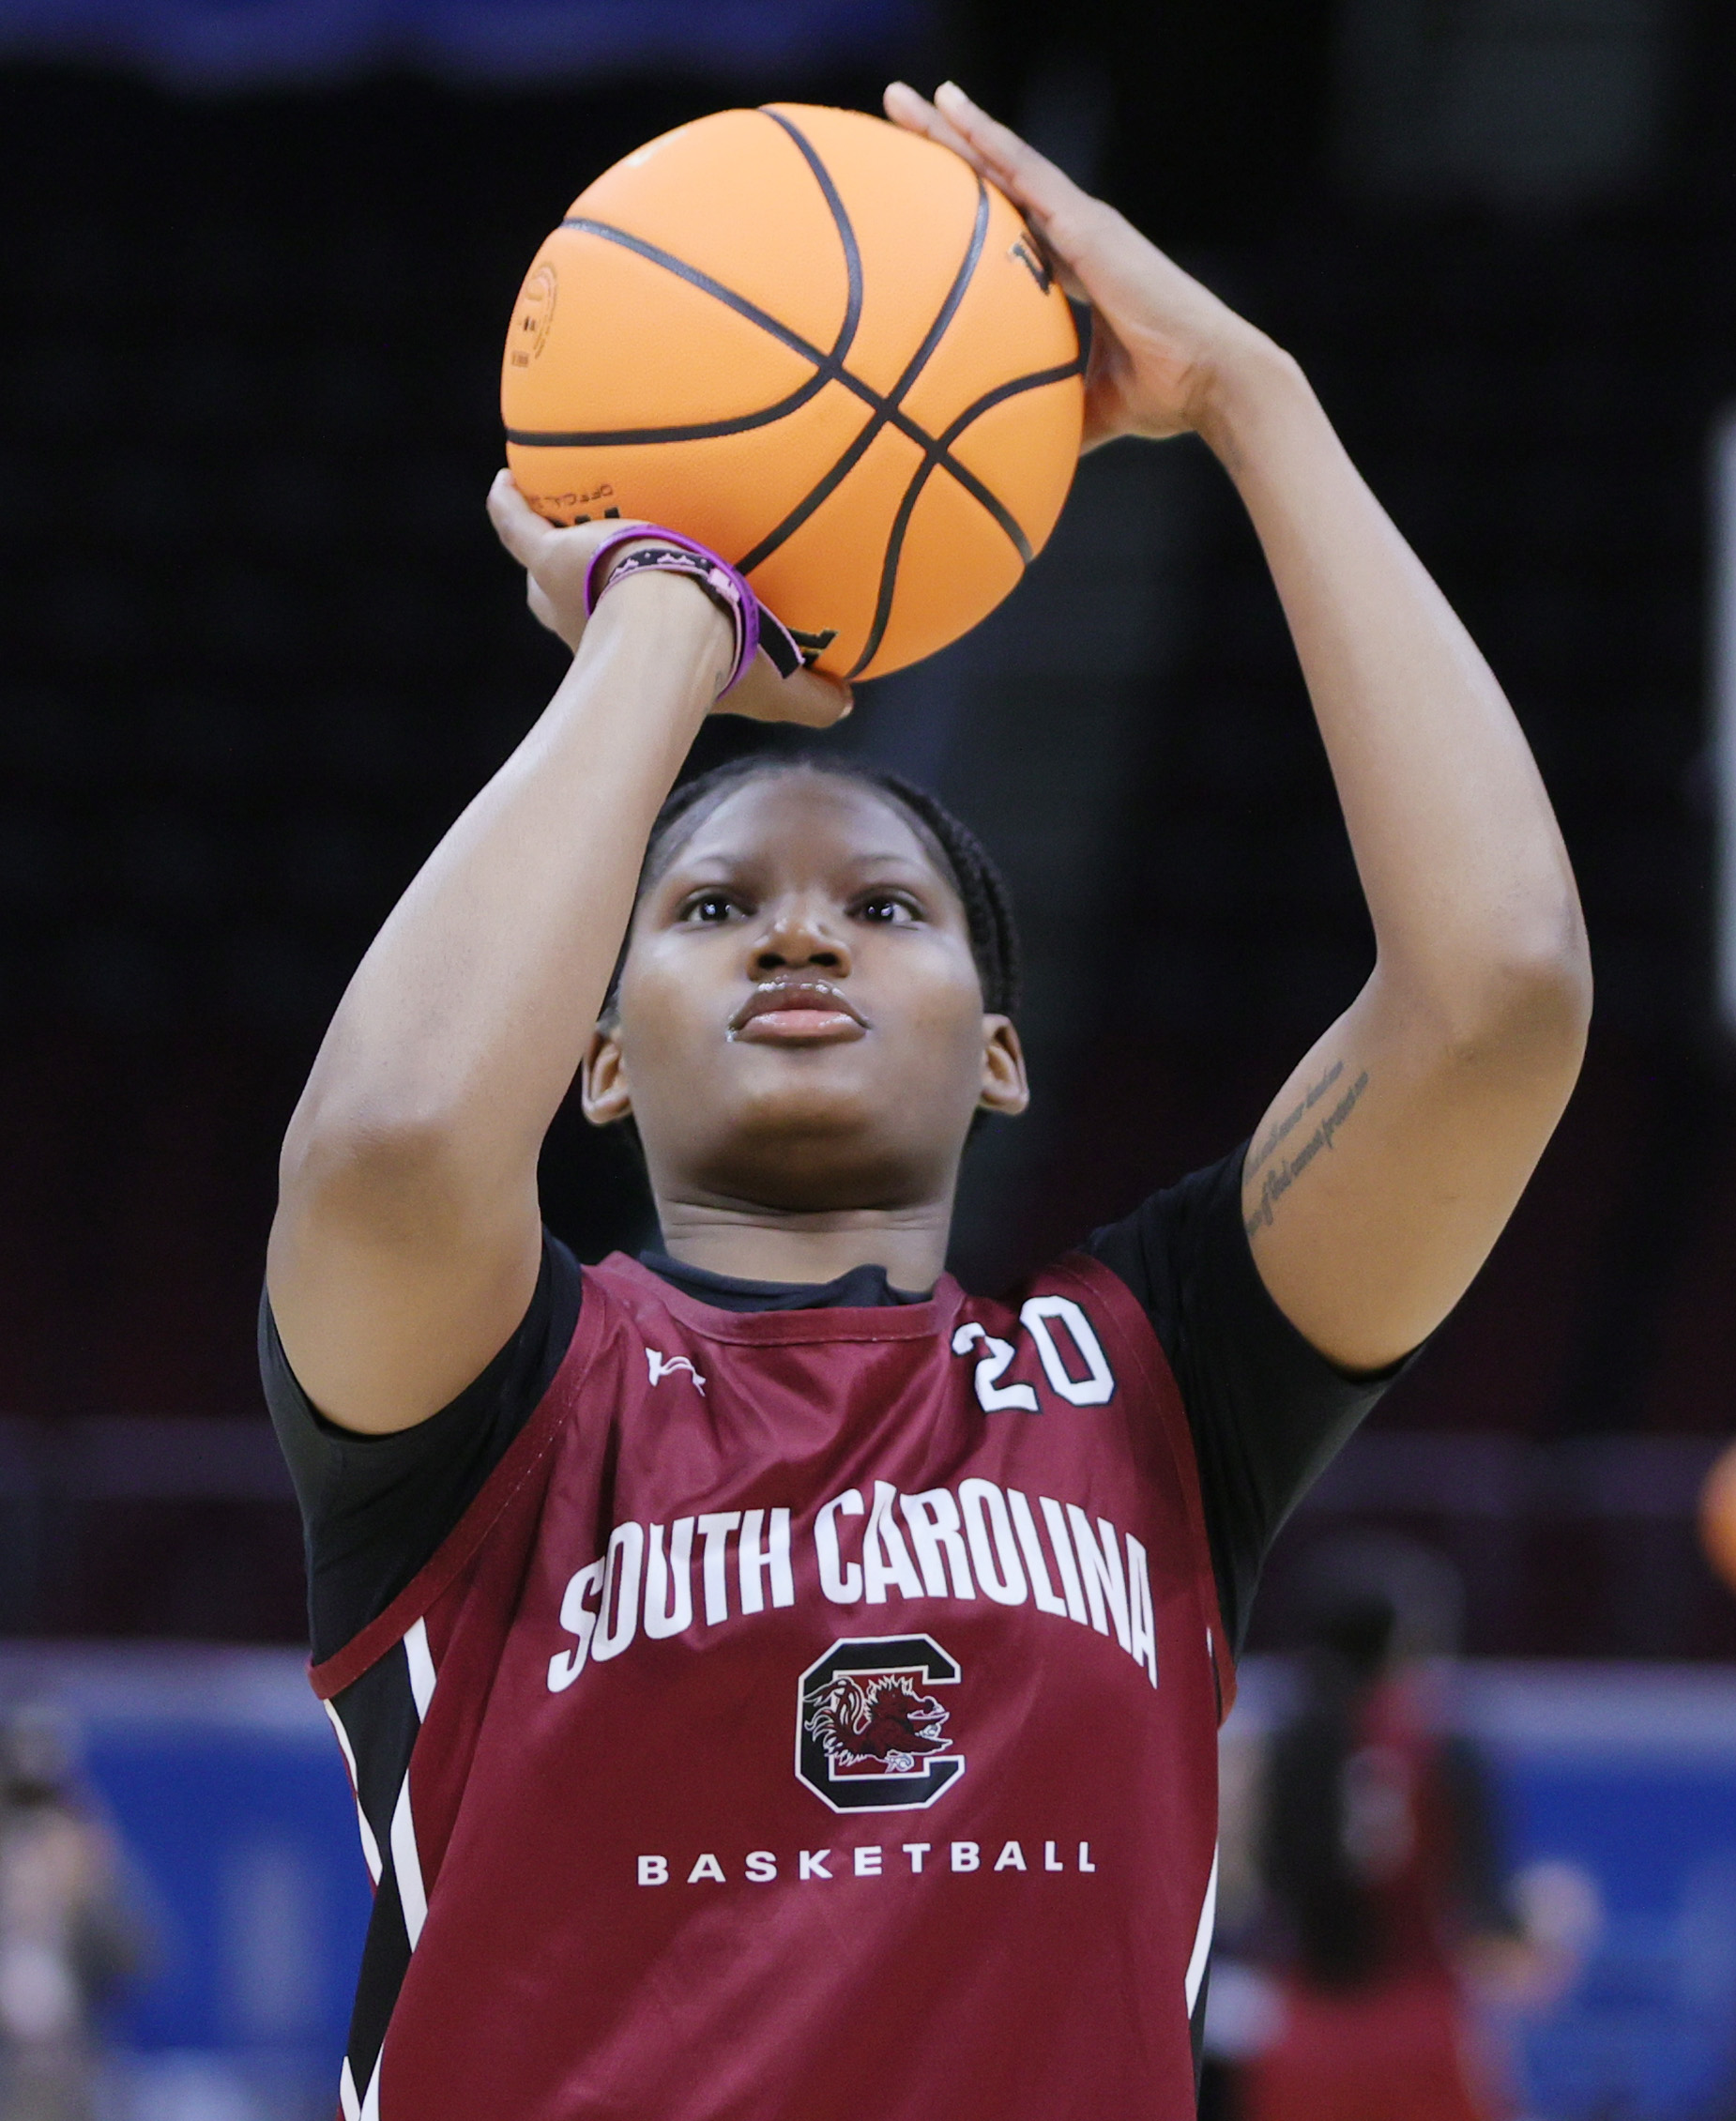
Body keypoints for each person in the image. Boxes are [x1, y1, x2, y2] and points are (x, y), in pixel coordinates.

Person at [261, 79, 1591, 2121]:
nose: (800, 937)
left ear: (999, 1045)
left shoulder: (1150, 1388)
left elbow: (1495, 995)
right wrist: (662, 621)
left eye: (882, 903)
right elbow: (384, 1145)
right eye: (711, 907)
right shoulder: (496, 1409)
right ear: (593, 1054)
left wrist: (1255, 394)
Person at [1245, 1548, 1581, 2121]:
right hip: (1422, 2023)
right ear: (1402, 1642)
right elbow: (1485, 1913)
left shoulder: (1287, 1742)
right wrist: (1544, 1927)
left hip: (1308, 2030)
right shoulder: (1447, 1745)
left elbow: (1271, 1882)